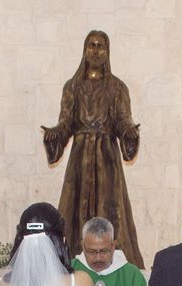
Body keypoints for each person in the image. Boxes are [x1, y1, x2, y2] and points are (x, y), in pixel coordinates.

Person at [42, 30, 144, 269]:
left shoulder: (118, 88)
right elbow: (66, 122)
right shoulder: (72, 86)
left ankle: (113, 259)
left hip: (107, 159)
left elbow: (123, 120)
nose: (96, 51)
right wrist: (55, 133)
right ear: (84, 50)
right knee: (73, 207)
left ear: (107, 52)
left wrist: (129, 132)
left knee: (110, 207)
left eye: (100, 46)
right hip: (80, 157)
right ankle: (70, 258)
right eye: (91, 45)